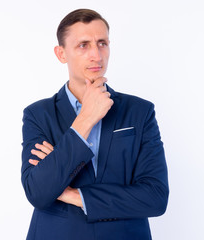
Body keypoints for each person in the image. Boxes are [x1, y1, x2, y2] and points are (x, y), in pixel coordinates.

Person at [21, 9, 169, 240]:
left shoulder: (140, 111)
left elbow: (155, 197)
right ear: (61, 54)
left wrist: (74, 195)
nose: (96, 55)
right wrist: (85, 119)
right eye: (83, 45)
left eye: (102, 43)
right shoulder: (38, 115)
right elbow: (39, 192)